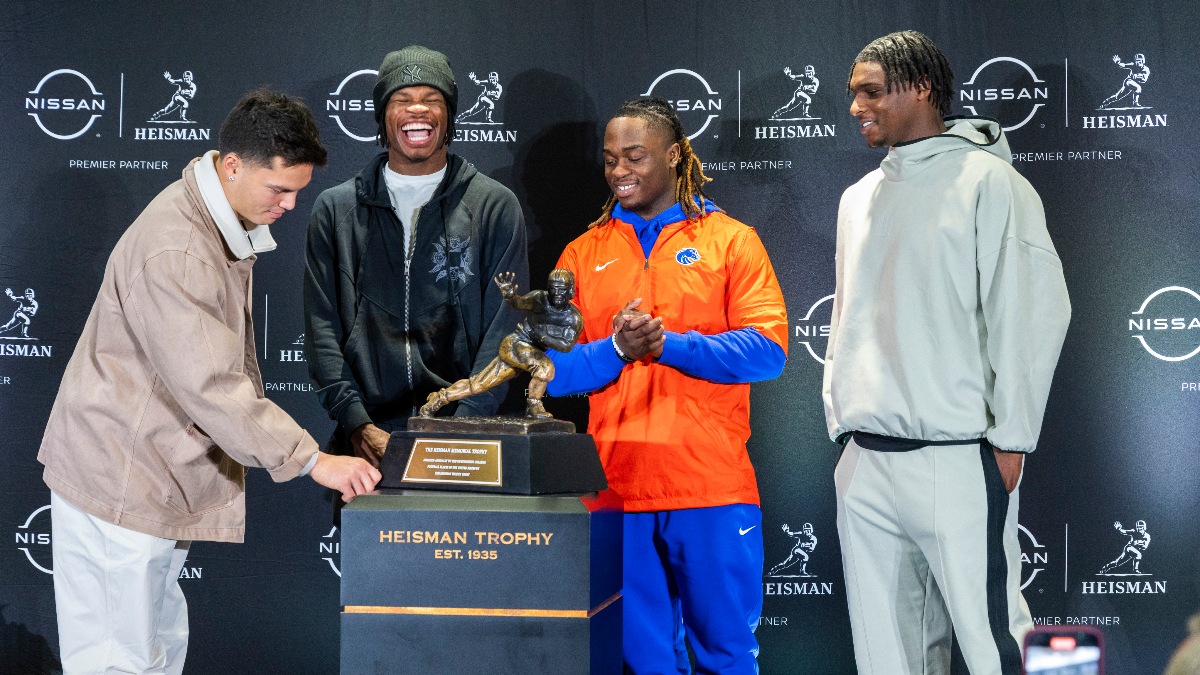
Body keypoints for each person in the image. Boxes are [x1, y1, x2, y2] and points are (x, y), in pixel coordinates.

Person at [38, 89, 381, 675]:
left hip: (148, 476)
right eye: (280, 189)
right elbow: (212, 386)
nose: (291, 205)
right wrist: (313, 460)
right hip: (119, 479)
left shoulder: (210, 221)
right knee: (119, 663)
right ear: (231, 166)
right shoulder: (180, 247)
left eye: (298, 190)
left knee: (156, 652)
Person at [823, 30, 1071, 675]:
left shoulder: (990, 183)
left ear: (922, 89)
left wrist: (1011, 436)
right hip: (866, 458)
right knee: (886, 658)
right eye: (853, 93)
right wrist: (844, 431)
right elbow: (850, 320)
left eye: (871, 92)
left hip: (958, 456)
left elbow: (1030, 314)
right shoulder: (858, 199)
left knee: (993, 645)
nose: (856, 107)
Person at [547, 97, 788, 674]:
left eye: (635, 156)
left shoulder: (732, 241)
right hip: (617, 490)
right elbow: (552, 373)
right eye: (609, 161)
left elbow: (769, 350)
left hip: (710, 486)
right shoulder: (583, 252)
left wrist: (668, 345)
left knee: (727, 656)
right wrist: (616, 350)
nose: (619, 171)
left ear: (675, 155)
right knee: (642, 662)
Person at [305, 45, 528, 468]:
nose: (418, 110)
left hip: (467, 434)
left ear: (450, 115)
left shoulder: (493, 206)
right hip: (363, 442)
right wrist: (357, 423)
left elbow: (505, 330)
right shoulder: (336, 210)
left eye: (433, 99)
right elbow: (321, 331)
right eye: (402, 99)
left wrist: (463, 427)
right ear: (382, 116)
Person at [420, 269, 583, 419]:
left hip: (529, 352)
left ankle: (439, 398)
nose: (557, 293)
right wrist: (511, 296)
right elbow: (519, 303)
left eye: (562, 289)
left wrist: (541, 335)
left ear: (570, 290)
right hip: (516, 344)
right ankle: (533, 406)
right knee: (545, 369)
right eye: (554, 288)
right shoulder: (540, 298)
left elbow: (566, 345)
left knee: (477, 385)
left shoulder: (573, 318)